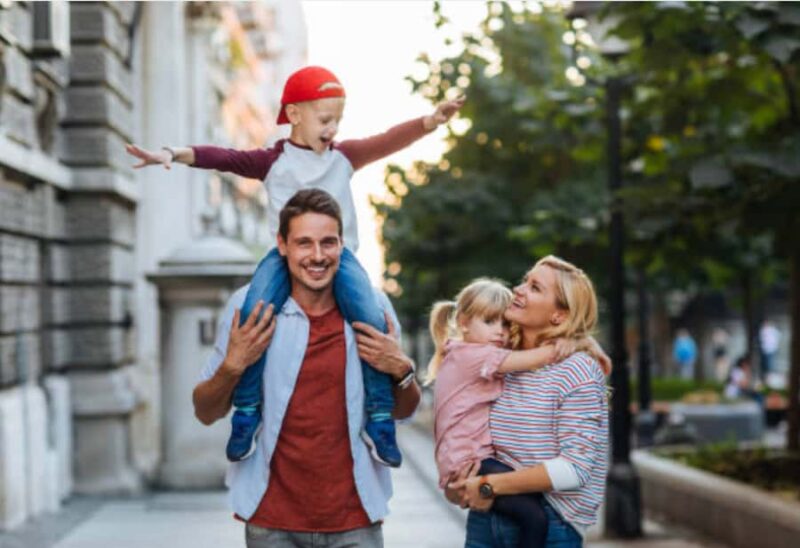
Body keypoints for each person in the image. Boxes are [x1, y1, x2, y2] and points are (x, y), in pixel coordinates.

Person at [127, 66, 463, 465]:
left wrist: (430, 121)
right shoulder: (274, 161)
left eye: (338, 119)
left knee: (370, 320)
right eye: (325, 119)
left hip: (343, 258)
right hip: (283, 259)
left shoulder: (343, 157)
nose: (333, 128)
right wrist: (172, 154)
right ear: (295, 114)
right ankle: (247, 413)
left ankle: (378, 419)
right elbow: (224, 157)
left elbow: (387, 141)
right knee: (254, 315)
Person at [192, 189, 420, 548]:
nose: (317, 256)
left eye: (328, 243)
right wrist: (232, 366)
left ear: (342, 245)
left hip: (355, 518)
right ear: (282, 245)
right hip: (271, 520)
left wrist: (402, 369)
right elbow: (205, 411)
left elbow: (404, 411)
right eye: (304, 243)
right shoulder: (249, 311)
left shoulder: (373, 310)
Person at [427, 278, 606, 548]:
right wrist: (463, 490)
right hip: (482, 514)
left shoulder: (572, 369)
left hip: (551, 521)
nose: (519, 290)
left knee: (535, 517)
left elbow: (575, 469)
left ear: (560, 314)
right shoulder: (491, 360)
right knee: (532, 516)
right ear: (463, 322)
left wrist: (486, 487)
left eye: (536, 287)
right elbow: (463, 492)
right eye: (525, 282)